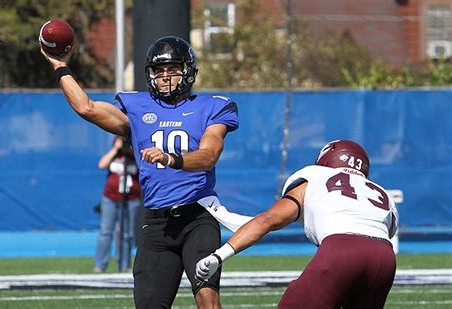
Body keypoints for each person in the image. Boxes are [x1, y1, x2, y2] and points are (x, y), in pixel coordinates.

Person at [40, 35, 245, 308]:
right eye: (159, 71)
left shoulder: (212, 106)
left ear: (189, 70)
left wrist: (171, 158)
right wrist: (59, 66)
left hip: (197, 217)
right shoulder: (136, 106)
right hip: (157, 223)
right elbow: (86, 108)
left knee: (207, 298)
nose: (165, 77)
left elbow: (208, 156)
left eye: (173, 69)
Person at [196, 140, 399, 309]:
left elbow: (268, 220)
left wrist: (219, 255)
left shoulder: (315, 175)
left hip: (341, 250)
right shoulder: (380, 192)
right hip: (384, 259)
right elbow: (381, 233)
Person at [94, 136, 141, 273]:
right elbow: (102, 165)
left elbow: (143, 167)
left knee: (126, 233)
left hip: (131, 199)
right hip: (110, 198)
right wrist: (115, 149)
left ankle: (124, 264)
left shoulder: (134, 157)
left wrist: (133, 150)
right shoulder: (114, 155)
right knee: (106, 231)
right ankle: (100, 265)